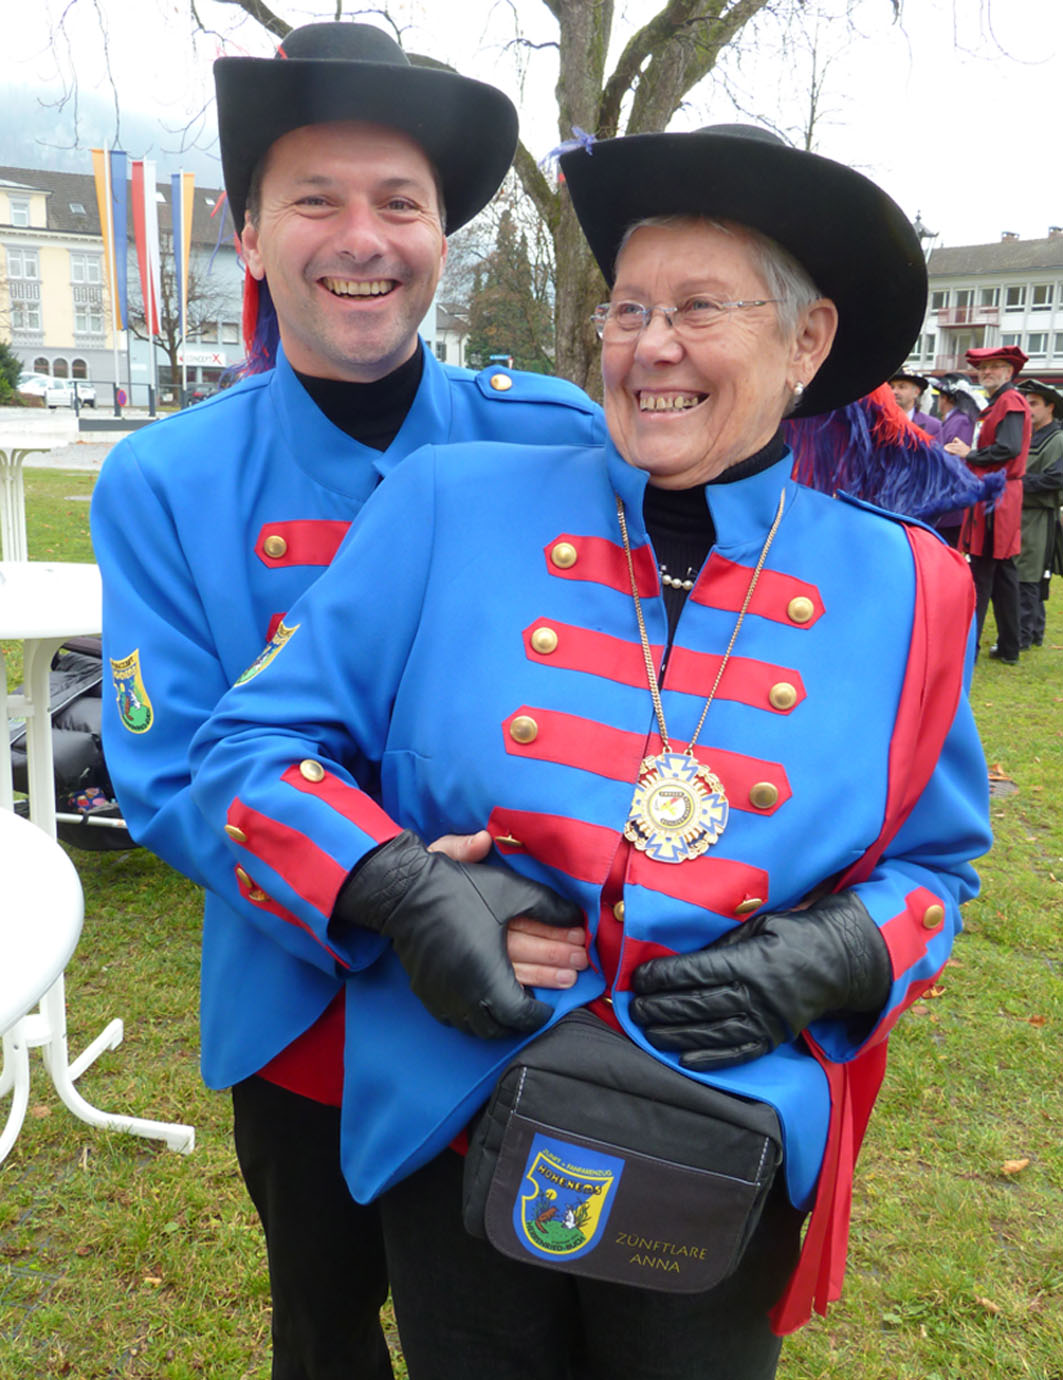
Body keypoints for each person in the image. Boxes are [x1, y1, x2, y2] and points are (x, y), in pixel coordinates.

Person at [189, 125, 990, 1379]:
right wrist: (394, 887)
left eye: (699, 309)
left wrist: (838, 953)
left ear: (808, 341)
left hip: (721, 1137)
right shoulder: (447, 504)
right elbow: (247, 749)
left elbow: (933, 870)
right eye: (628, 309)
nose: (651, 346)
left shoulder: (913, 586)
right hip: (462, 1101)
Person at [91, 22, 602, 1380]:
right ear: (250, 238)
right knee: (324, 1332)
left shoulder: (552, 438)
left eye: (399, 203)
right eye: (314, 200)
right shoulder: (165, 481)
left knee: (512, 1336)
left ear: (443, 238)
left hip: (523, 991)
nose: (361, 239)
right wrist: (386, 885)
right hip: (302, 998)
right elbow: (171, 777)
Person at [944, 344, 1031, 664]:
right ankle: (1010, 646)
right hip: (998, 493)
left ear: (1009, 371)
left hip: (998, 496)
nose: (986, 372)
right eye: (982, 368)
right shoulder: (1001, 402)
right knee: (1003, 572)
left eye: (994, 367)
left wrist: (970, 454)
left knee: (982, 569)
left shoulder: (1009, 401)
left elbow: (1008, 447)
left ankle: (971, 648)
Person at [1015, 378, 1063, 649]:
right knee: (1024, 572)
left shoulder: (1059, 439)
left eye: (1033, 404)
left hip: (1039, 516)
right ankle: (1032, 632)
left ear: (1050, 407)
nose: (1028, 409)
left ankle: (1025, 634)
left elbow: (1055, 479)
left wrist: (1015, 483)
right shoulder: (1030, 435)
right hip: (1021, 514)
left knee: (1029, 574)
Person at [930, 372, 983, 545]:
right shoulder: (955, 420)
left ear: (945, 398)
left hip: (951, 498)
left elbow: (955, 459)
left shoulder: (960, 421)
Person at [890, 368, 942, 438]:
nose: (894, 392)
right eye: (892, 387)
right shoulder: (880, 421)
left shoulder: (933, 425)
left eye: (901, 387)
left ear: (916, 392)